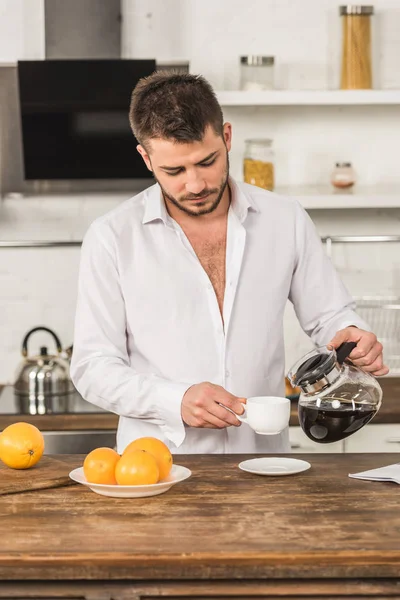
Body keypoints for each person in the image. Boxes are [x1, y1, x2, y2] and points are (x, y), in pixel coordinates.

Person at [70, 72, 388, 455]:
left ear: (227, 137)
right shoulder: (112, 237)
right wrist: (176, 399)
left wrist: (353, 335)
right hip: (157, 470)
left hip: (264, 463)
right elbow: (93, 367)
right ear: (146, 157)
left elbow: (330, 315)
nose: (195, 184)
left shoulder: (285, 218)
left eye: (207, 162)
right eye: (174, 171)